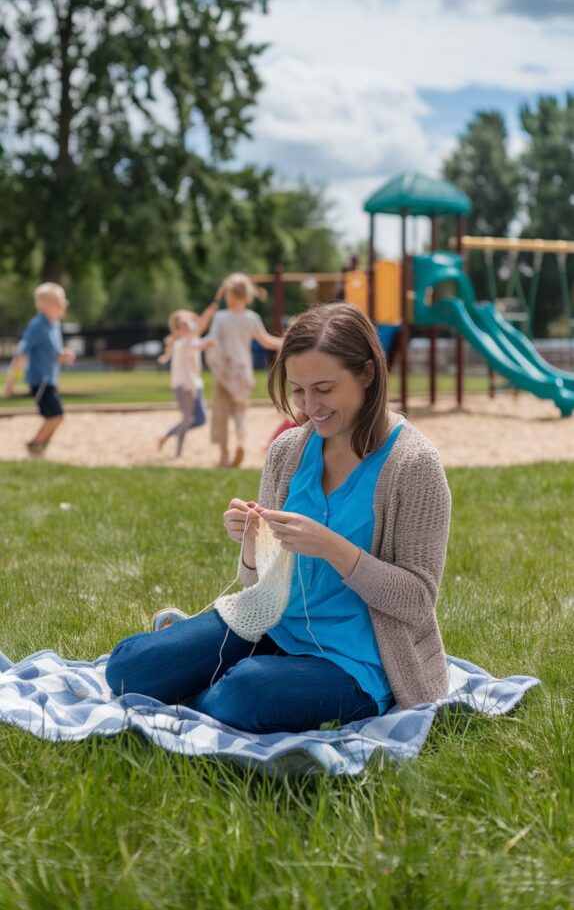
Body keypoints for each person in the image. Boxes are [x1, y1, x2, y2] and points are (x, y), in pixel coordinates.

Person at [105, 302, 452, 733]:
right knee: (126, 669)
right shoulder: (288, 452)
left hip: (357, 662)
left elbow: (418, 601)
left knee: (246, 693)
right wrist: (252, 545)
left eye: (324, 388)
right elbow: (257, 584)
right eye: (299, 390)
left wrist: (334, 548)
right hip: (271, 626)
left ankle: (211, 688)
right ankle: (211, 684)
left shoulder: (413, 466)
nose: (310, 406)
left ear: (367, 374)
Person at [207, 272, 282, 467]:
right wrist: (286, 341)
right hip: (243, 372)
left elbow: (212, 340)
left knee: (221, 413)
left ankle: (224, 455)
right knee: (240, 411)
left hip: (224, 371)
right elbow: (266, 340)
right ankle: (240, 441)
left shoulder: (221, 317)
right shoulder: (251, 318)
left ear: (230, 295)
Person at [3, 282, 75, 456]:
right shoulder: (37, 326)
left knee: (56, 416)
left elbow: (52, 353)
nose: (65, 304)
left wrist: (62, 355)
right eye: (61, 301)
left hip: (50, 379)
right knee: (56, 415)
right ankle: (35, 445)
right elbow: (22, 354)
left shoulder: (54, 325)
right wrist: (10, 381)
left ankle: (40, 447)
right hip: (40, 381)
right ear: (49, 305)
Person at [157, 305, 217, 457]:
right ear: (179, 329)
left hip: (194, 385)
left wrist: (208, 313)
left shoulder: (188, 340)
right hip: (185, 386)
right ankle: (178, 451)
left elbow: (199, 330)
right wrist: (208, 343)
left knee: (200, 419)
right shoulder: (183, 343)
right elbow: (198, 341)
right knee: (187, 420)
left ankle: (168, 436)